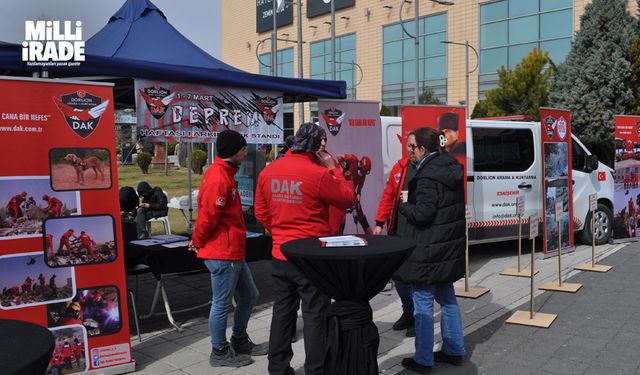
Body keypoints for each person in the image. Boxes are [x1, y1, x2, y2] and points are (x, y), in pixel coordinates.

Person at [254, 122, 356, 375]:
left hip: (281, 253)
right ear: (315, 146)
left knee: (282, 313)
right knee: (315, 316)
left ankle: (277, 368)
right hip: (312, 258)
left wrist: (279, 232)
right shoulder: (318, 174)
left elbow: (261, 212)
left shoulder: (269, 172)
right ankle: (316, 369)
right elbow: (347, 199)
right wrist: (335, 171)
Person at [188, 129, 267, 368]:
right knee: (221, 303)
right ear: (233, 152)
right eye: (243, 148)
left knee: (251, 296)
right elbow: (208, 218)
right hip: (222, 253)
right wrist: (198, 240)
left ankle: (239, 340)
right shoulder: (219, 178)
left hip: (232, 251)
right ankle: (219, 351)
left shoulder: (225, 173)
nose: (246, 152)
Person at [397, 127, 466, 373]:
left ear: (423, 149)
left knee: (423, 302)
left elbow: (423, 213)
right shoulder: (449, 165)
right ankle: (454, 350)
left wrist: (404, 206)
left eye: (411, 147)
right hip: (446, 248)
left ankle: (423, 359)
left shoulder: (427, 176)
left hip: (428, 250)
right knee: (447, 298)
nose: (408, 151)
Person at [372, 136, 418, 337]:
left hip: (418, 232)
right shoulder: (400, 168)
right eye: (409, 145)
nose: (411, 149)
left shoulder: (428, 169)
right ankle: (408, 311)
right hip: (397, 230)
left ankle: (418, 317)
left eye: (415, 146)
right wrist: (379, 222)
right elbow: (388, 195)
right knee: (398, 276)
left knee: (415, 276)